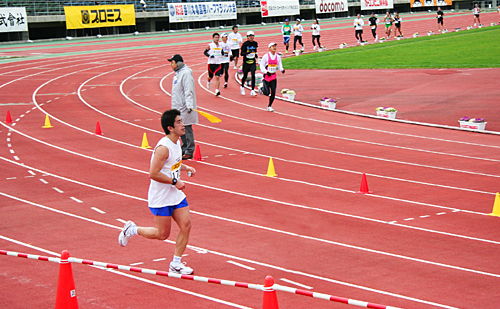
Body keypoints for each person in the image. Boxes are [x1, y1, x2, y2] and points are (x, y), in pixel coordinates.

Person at [118, 109, 197, 275]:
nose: (183, 125)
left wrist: (185, 167)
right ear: (170, 128)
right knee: (162, 235)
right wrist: (175, 181)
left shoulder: (177, 142)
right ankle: (131, 229)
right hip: (161, 197)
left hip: (175, 195)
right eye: (179, 122)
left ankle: (176, 264)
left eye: (182, 121)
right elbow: (153, 173)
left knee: (186, 225)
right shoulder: (163, 148)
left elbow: (173, 163)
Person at [165, 54, 198, 160]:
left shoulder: (186, 73)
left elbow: (188, 90)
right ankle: (183, 148)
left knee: (187, 128)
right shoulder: (177, 74)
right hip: (178, 106)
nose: (171, 65)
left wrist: (189, 105)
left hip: (185, 107)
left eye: (172, 62)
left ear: (178, 63)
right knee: (180, 128)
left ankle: (189, 150)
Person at [259, 42, 285, 112]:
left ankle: (269, 106)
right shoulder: (266, 56)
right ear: (269, 48)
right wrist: (266, 72)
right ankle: (262, 89)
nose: (274, 47)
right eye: (272, 46)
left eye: (275, 46)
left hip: (273, 76)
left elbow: (279, 65)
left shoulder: (278, 57)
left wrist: (282, 70)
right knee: (267, 93)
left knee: (273, 92)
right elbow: (261, 66)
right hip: (267, 77)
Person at [240, 31, 258, 96]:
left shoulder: (255, 43)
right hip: (246, 62)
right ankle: (242, 86)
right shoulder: (245, 44)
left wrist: (256, 56)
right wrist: (248, 52)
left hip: (253, 62)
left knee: (253, 75)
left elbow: (255, 51)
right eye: (249, 36)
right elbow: (241, 53)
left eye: (252, 36)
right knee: (245, 76)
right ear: (247, 37)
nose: (251, 37)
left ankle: (252, 90)